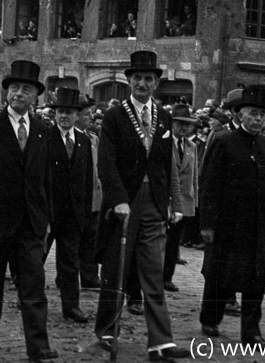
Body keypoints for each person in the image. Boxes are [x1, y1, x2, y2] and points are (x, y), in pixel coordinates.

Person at [94, 50, 189, 362]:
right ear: (129, 81)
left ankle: (160, 341)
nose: (142, 84)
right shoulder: (115, 115)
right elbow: (106, 164)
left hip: (154, 205)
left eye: (148, 79)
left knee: (153, 271)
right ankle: (107, 329)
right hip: (124, 202)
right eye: (137, 78)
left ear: (156, 83)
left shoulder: (164, 116)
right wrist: (119, 199)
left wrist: (174, 203)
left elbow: (167, 165)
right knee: (116, 268)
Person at [0, 60, 58, 363]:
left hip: (31, 223)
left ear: (36, 96)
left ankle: (39, 346)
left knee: (34, 286)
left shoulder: (43, 130)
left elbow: (47, 178)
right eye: (14, 88)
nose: (18, 94)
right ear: (6, 92)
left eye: (26, 89)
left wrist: (46, 218)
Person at [198, 86, 265, 345]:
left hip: (257, 224)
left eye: (262, 115)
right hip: (227, 222)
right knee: (221, 273)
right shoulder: (223, 141)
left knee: (256, 279)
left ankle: (251, 330)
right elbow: (208, 185)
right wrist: (207, 223)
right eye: (253, 114)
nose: (258, 119)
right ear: (239, 114)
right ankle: (210, 318)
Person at [44, 88, 94, 323]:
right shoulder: (44, 137)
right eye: (61, 112)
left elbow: (86, 181)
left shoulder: (84, 141)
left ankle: (71, 306)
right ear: (55, 114)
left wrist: (83, 214)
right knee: (36, 258)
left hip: (72, 213)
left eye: (70, 112)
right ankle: (31, 301)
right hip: (47, 211)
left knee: (69, 261)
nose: (64, 116)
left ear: (77, 115)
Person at [163, 103, 199, 293]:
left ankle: (167, 276)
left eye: (188, 124)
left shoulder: (191, 146)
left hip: (184, 200)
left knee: (174, 242)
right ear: (172, 124)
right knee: (162, 240)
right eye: (180, 124)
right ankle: (156, 275)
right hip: (166, 200)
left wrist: (195, 201)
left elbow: (194, 176)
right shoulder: (163, 143)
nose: (184, 128)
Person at [76, 95, 102, 289]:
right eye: (87, 113)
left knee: (91, 238)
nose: (91, 117)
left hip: (93, 198)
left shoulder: (93, 139)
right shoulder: (70, 137)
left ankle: (90, 276)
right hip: (74, 200)